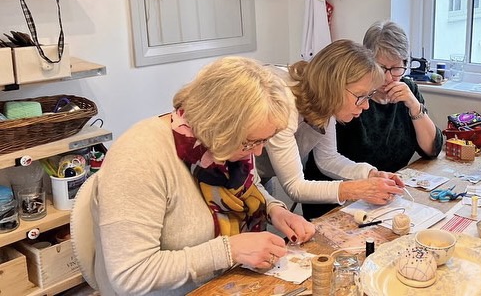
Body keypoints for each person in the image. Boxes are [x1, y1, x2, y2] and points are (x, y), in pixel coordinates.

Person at [79, 57, 315, 295]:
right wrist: (229, 251)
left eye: (264, 140)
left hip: (225, 282)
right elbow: (130, 275)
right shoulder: (139, 159)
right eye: (251, 142)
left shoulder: (224, 146)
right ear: (219, 126)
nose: (257, 151)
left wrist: (274, 209)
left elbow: (249, 185)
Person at [302, 21, 443, 219]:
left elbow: (432, 150)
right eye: (381, 67)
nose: (388, 77)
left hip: (381, 196)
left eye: (396, 68)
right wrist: (367, 180)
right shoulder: (346, 96)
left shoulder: (408, 89)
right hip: (337, 200)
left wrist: (414, 105)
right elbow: (327, 160)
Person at [255, 39, 406, 218]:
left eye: (369, 96)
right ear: (333, 87)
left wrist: (370, 174)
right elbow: (295, 187)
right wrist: (356, 189)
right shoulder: (282, 102)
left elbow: (328, 159)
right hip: (231, 169)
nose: (366, 106)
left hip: (256, 174)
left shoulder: (325, 101)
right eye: (360, 96)